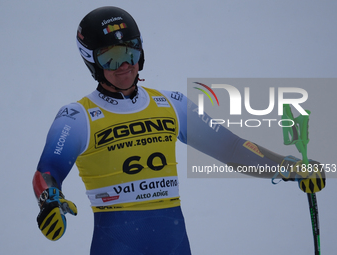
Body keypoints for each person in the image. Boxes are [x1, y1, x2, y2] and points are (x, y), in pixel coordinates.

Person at [32, 6, 326, 255]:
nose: (124, 66)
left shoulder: (172, 104)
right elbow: (47, 172)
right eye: (110, 58)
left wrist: (288, 165)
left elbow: (233, 148)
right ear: (91, 61)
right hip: (116, 243)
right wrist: (50, 200)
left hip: (173, 243)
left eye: (131, 53)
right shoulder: (76, 117)